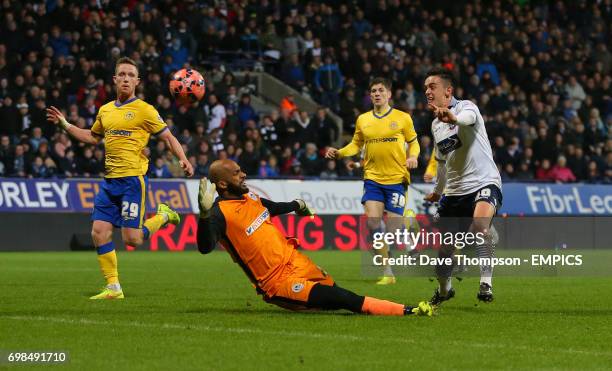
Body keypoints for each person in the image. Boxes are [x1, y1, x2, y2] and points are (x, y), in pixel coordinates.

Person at [196, 159, 433, 316]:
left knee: (332, 293)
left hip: (297, 262)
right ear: (223, 183)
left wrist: (296, 204)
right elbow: (205, 247)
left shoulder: (251, 198)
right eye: (237, 173)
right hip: (277, 283)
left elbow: (274, 207)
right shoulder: (218, 214)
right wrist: (205, 215)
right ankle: (406, 311)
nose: (244, 174)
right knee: (342, 298)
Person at [46, 57, 194, 300]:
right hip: (110, 182)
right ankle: (113, 287)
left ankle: (165, 215)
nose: (126, 78)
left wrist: (183, 159)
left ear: (137, 81)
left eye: (130, 75)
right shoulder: (105, 110)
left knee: (132, 239)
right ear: (115, 79)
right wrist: (65, 125)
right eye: (122, 74)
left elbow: (168, 137)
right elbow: (92, 137)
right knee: (98, 231)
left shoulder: (145, 110)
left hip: (132, 182)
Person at [325, 77, 420, 285]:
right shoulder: (363, 120)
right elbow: (355, 145)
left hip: (396, 179)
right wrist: (340, 153)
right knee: (373, 222)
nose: (376, 94)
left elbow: (414, 143)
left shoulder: (403, 118)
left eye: (380, 90)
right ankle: (388, 273)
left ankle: (407, 221)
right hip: (373, 179)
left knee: (394, 231)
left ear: (389, 95)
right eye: (373, 91)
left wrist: (413, 157)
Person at [423, 67, 503, 304]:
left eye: (432, 87)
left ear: (448, 91)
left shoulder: (467, 107)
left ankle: (486, 284)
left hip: (483, 181)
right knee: (446, 251)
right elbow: (441, 162)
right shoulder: (435, 125)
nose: (427, 91)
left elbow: (467, 119)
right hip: (454, 191)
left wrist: (454, 118)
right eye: (426, 87)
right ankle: (445, 290)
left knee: (479, 226)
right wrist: (438, 192)